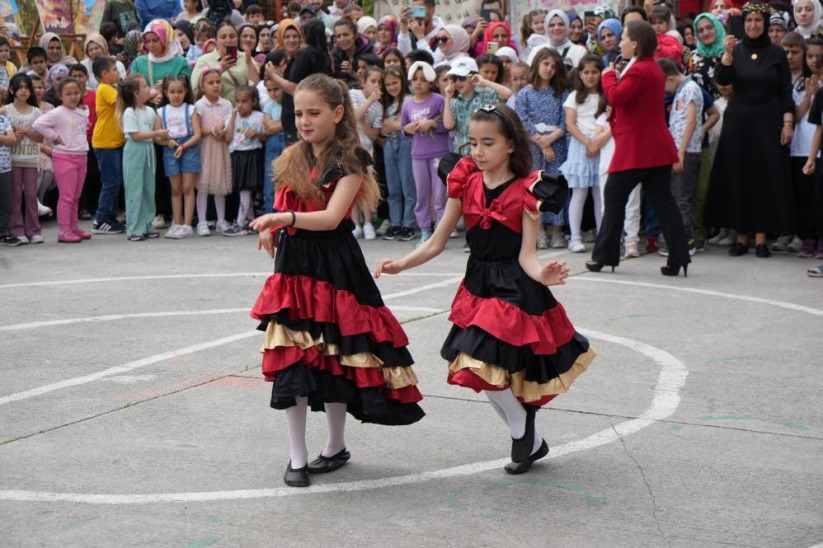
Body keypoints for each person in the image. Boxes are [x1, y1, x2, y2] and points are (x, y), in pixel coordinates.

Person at [374, 104, 594, 474]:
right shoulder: (464, 180)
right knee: (483, 371)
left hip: (515, 289)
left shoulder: (528, 190)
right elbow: (436, 241)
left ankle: (522, 429)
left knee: (482, 362)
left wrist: (543, 274)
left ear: (510, 144)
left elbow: (527, 254)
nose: (477, 151)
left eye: (487, 143)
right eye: (473, 142)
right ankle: (528, 435)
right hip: (477, 284)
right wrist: (402, 263)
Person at [248, 73, 424, 488]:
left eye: (314, 113)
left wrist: (283, 219)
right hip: (294, 268)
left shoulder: (352, 158)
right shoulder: (292, 155)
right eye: (298, 113)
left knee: (336, 357)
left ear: (338, 112)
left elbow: (330, 219)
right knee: (292, 358)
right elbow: (282, 203)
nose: (305, 121)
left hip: (335, 267)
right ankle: (297, 455)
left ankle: (335, 446)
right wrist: (269, 228)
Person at [586, 21, 691, 276]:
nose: (620, 42)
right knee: (664, 202)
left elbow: (617, 97)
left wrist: (608, 76)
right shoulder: (651, 68)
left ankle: (604, 256)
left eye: (623, 38)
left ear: (635, 43)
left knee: (613, 198)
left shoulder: (639, 70)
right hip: (655, 147)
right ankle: (679, 257)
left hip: (638, 149)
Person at [706, 1, 794, 259]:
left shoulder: (777, 53)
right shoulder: (736, 48)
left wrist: (788, 123)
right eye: (748, 21)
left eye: (757, 20)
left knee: (763, 179)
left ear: (765, 23)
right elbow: (723, 80)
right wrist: (728, 55)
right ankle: (741, 238)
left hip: (768, 123)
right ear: (742, 24)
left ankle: (761, 239)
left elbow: (785, 91)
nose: (753, 25)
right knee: (739, 177)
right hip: (738, 122)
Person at [515, 47, 569, 250]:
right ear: (537, 64)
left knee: (556, 187)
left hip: (557, 147)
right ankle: (538, 231)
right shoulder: (525, 94)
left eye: (553, 66)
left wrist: (550, 140)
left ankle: (556, 230)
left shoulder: (562, 93)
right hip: (534, 148)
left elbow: (566, 121)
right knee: (536, 187)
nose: (549, 69)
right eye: (546, 64)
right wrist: (540, 141)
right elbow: (523, 120)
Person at [31, 78, 90, 244]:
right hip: (64, 157)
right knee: (67, 196)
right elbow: (38, 124)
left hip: (81, 156)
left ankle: (73, 226)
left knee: (76, 196)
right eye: (68, 94)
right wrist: (54, 137)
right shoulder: (58, 112)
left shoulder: (81, 111)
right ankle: (64, 230)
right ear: (60, 95)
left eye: (76, 93)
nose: (73, 97)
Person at [401, 61, 449, 246]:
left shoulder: (438, 100)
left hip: (439, 153)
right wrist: (408, 129)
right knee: (422, 193)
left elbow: (447, 125)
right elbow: (402, 129)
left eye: (422, 79)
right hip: (418, 155)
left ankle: (441, 232)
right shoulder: (407, 105)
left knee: (440, 194)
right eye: (414, 79)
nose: (418, 83)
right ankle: (425, 231)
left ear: (431, 81)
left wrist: (433, 124)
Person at [659, 58, 704, 255]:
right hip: (677, 152)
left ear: (669, 77)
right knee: (675, 197)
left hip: (685, 153)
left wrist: (680, 152)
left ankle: (687, 241)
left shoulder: (690, 88)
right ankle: (678, 239)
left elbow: (691, 121)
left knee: (681, 199)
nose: (663, 91)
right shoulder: (680, 90)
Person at [561, 54, 604, 253]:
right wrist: (588, 142)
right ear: (580, 74)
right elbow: (570, 124)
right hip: (581, 146)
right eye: (586, 72)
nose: (590, 76)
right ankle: (575, 237)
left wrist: (597, 142)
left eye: (594, 72)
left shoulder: (606, 96)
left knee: (600, 194)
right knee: (579, 193)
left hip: (602, 144)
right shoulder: (574, 96)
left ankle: (603, 235)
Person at [267, 19, 333, 145]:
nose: (292, 40)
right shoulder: (325, 55)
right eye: (286, 37)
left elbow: (296, 88)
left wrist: (273, 76)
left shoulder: (304, 56)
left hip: (299, 124)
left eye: (296, 35)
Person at [118, 74, 167, 241]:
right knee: (134, 189)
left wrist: (168, 139)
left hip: (148, 151)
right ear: (136, 93)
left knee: (148, 188)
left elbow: (157, 135)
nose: (149, 89)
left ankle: (147, 224)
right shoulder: (129, 112)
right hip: (135, 152)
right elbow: (135, 135)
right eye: (145, 86)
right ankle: (134, 227)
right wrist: (156, 133)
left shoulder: (150, 111)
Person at [155, 75, 201, 238]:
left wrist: (184, 146)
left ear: (186, 92)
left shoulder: (191, 109)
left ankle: (187, 225)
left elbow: (197, 134)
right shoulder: (161, 112)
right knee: (175, 189)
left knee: (188, 187)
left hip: (189, 148)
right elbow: (157, 137)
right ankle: (177, 222)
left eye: (180, 91)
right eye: (172, 92)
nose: (176, 95)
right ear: (166, 92)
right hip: (170, 149)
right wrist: (168, 143)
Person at [193, 67, 233, 235]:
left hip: (220, 148)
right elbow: (198, 131)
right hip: (205, 148)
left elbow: (229, 126)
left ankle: (221, 220)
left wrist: (223, 133)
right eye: (211, 83)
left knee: (219, 184)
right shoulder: (200, 105)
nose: (215, 85)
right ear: (202, 86)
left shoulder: (227, 104)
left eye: (218, 82)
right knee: (203, 185)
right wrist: (214, 131)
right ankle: (202, 221)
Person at [4, 74, 42, 245]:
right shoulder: (5, 110)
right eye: (20, 88)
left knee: (31, 195)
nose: (24, 91)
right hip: (12, 159)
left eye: (27, 87)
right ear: (12, 90)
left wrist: (25, 131)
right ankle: (16, 229)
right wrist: (11, 134)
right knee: (15, 195)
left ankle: (33, 230)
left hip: (31, 159)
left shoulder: (36, 111)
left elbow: (40, 138)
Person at [91, 56, 126, 235]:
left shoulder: (110, 87)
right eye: (114, 70)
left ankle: (110, 218)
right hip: (105, 143)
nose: (117, 73)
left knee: (114, 181)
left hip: (112, 142)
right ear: (104, 74)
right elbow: (122, 102)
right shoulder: (105, 89)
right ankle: (101, 219)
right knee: (110, 182)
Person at [223, 85, 265, 236]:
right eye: (237, 101)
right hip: (237, 156)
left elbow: (265, 137)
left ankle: (239, 223)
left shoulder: (259, 116)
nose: (240, 105)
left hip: (251, 155)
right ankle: (250, 221)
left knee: (245, 191)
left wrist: (256, 133)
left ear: (253, 102)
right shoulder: (232, 116)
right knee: (242, 190)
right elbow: (228, 138)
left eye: (244, 101)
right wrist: (233, 117)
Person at [380, 66, 416, 241]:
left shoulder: (409, 100)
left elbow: (400, 126)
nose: (392, 87)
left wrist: (387, 122)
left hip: (405, 143)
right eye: (388, 84)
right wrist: (388, 124)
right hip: (389, 144)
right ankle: (395, 223)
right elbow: (382, 130)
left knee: (408, 186)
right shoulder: (385, 104)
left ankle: (408, 224)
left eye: (395, 82)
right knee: (393, 187)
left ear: (402, 81)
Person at [192, 21, 260, 104]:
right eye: (223, 37)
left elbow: (256, 87)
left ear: (237, 38)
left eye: (232, 36)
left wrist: (249, 61)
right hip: (217, 111)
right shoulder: (204, 60)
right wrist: (219, 70)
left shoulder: (246, 57)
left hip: (244, 112)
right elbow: (195, 92)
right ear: (216, 40)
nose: (228, 40)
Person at [0, 110, 18, 245]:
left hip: (4, 167)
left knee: (5, 202)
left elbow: (12, 140)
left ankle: (3, 231)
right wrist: (3, 137)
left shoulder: (3, 120)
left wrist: (4, 139)